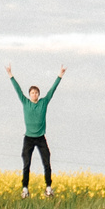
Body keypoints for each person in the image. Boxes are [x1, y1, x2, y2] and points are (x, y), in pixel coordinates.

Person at [9, 65, 65, 196]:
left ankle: (49, 188)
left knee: (47, 161)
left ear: (39, 95)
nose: (34, 94)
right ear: (29, 95)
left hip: (40, 138)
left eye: (36, 93)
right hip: (28, 138)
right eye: (32, 93)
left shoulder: (43, 103)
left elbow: (52, 90)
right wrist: (11, 75)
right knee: (26, 163)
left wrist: (60, 75)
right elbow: (17, 90)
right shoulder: (25, 102)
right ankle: (25, 189)